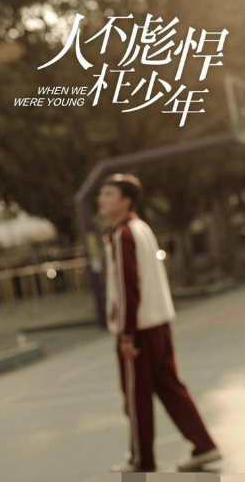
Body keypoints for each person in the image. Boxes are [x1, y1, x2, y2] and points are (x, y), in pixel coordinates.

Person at [98, 173, 221, 473]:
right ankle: (204, 445)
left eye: (109, 194)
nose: (102, 199)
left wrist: (127, 334)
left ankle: (142, 460)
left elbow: (128, 287)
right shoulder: (141, 229)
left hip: (139, 329)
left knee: (136, 397)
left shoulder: (123, 235)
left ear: (126, 201)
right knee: (170, 387)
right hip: (158, 324)